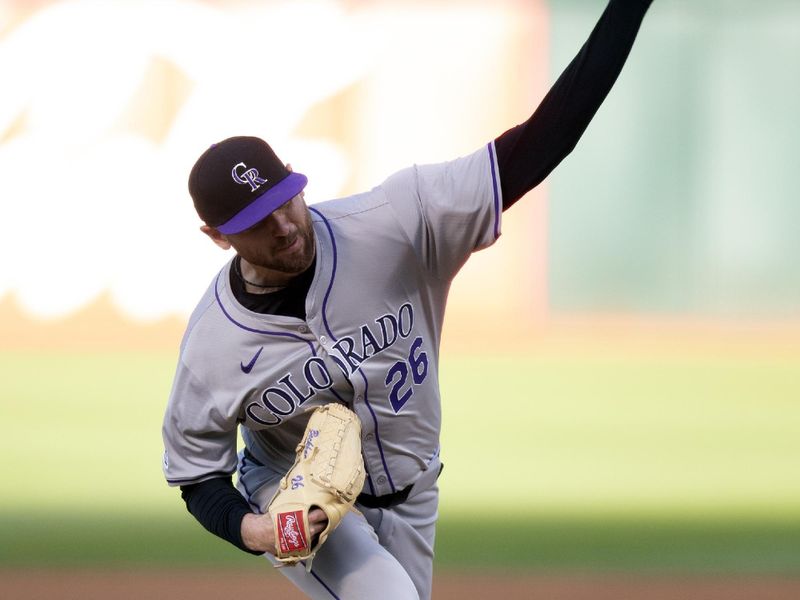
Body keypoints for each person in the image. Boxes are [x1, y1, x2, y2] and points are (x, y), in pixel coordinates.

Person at [161, 1, 655, 598]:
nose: (284, 226)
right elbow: (196, 474)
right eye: (256, 222)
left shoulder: (395, 222)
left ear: (296, 176)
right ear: (217, 238)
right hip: (298, 497)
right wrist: (256, 529)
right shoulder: (213, 343)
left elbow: (543, 139)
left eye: (284, 200)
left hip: (417, 495)